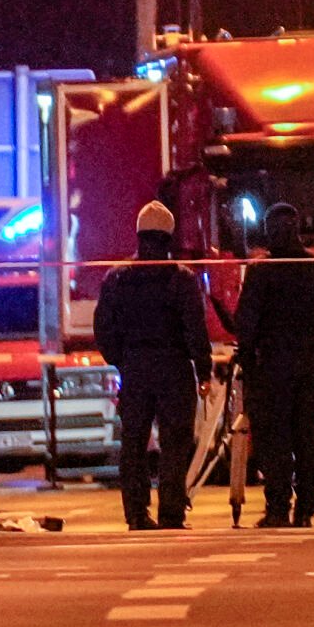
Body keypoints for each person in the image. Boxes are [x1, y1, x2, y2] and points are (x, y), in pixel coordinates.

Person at [95, 200, 212, 531]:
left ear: (138, 235)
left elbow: (103, 328)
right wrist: (203, 370)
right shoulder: (181, 279)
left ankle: (136, 514)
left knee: (133, 443)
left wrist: (122, 361)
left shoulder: (117, 278)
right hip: (174, 367)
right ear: (169, 237)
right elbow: (195, 329)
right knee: (175, 442)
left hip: (135, 368)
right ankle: (171, 513)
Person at [236, 202, 314, 528]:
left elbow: (246, 325)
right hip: (307, 364)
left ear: (269, 231)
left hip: (271, 367)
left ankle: (279, 506)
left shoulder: (261, 272)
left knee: (273, 439)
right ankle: (308, 503)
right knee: (305, 435)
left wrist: (248, 361)